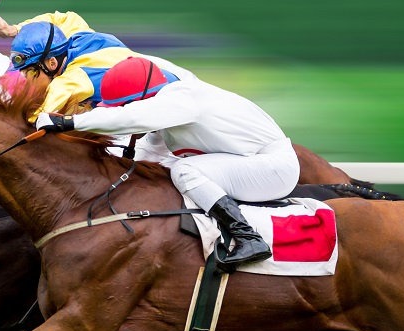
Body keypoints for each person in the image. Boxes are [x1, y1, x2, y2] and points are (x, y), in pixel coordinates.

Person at [34, 56, 302, 270]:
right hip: (253, 163)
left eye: (123, 106)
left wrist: (67, 122)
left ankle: (248, 238)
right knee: (175, 167)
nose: (121, 112)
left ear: (142, 100)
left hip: (273, 168)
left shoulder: (180, 99)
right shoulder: (170, 115)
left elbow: (129, 119)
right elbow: (143, 153)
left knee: (185, 170)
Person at [0, 10, 193, 118]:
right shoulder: (73, 33)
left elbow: (35, 117)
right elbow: (60, 18)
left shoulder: (72, 81)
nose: (26, 82)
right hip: (176, 77)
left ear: (52, 63)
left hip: (175, 106)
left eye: (30, 74)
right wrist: (13, 31)